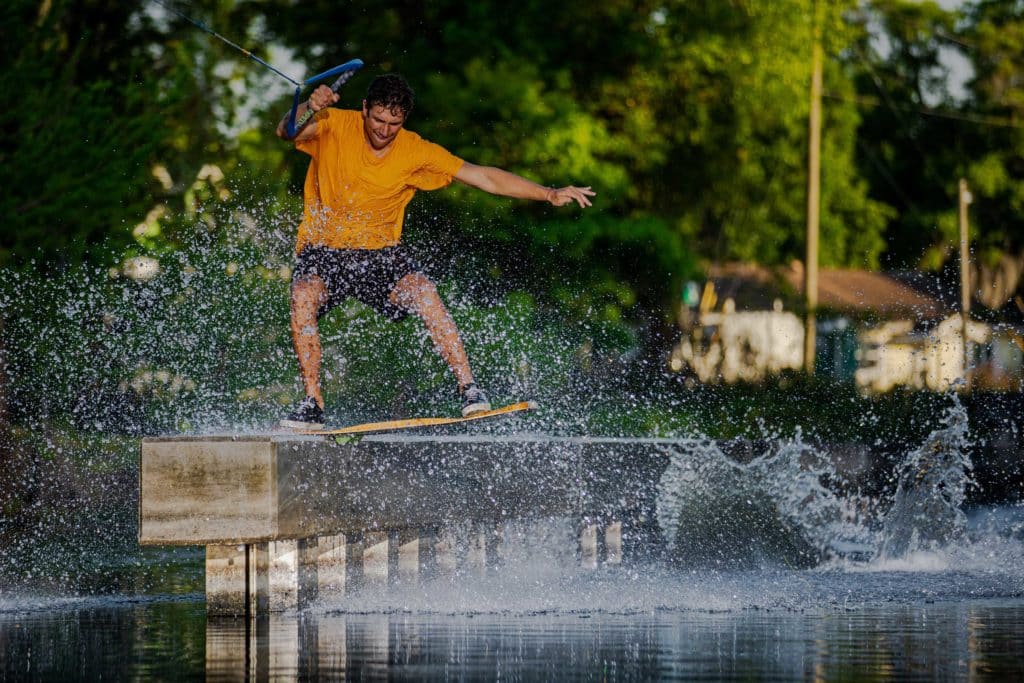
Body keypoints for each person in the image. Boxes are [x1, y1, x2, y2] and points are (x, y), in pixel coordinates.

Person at [276, 74, 595, 429]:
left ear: (404, 121)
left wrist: (548, 193)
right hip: (323, 251)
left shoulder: (416, 151)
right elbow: (287, 131)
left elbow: (483, 177)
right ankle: (312, 403)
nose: (383, 130)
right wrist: (309, 106)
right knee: (303, 295)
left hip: (380, 256)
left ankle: (469, 390)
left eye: (393, 124)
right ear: (364, 108)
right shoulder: (333, 124)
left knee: (424, 292)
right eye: (378, 120)